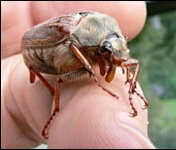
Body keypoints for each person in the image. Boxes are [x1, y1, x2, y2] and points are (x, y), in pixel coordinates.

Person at [1, 1, 155, 149]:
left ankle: (130, 91)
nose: (114, 61)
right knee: (61, 80)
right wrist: (92, 73)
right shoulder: (76, 34)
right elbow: (40, 58)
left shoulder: (108, 37)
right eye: (107, 52)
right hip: (41, 50)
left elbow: (130, 63)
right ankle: (55, 110)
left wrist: (131, 90)